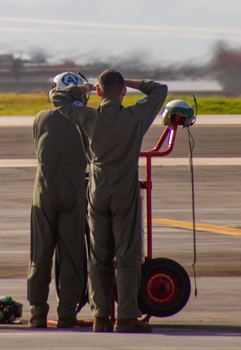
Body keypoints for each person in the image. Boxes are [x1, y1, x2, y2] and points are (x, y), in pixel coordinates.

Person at [51, 69, 167, 334]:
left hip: (97, 188)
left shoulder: (88, 116)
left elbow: (56, 98)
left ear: (99, 92)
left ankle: (100, 315)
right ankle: (125, 316)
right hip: (124, 187)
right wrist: (129, 82)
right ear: (123, 92)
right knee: (127, 254)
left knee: (98, 256)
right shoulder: (135, 116)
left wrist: (85, 89)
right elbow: (160, 89)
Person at [27, 72, 91, 329]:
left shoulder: (41, 118)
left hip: (44, 186)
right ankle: (67, 313)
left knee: (40, 253)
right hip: (74, 186)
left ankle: (38, 312)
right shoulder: (87, 120)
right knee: (72, 255)